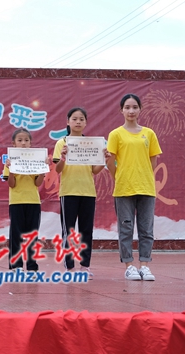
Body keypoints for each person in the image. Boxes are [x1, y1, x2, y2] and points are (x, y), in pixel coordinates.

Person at [106, 93, 162, 281]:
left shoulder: (149, 134)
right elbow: (110, 162)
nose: (131, 111)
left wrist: (143, 175)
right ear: (121, 110)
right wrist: (120, 177)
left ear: (140, 109)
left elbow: (153, 160)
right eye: (127, 107)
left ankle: (145, 265)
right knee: (126, 228)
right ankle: (129, 266)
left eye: (135, 107)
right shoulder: (115, 134)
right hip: (124, 188)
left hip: (146, 187)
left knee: (146, 229)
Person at [53, 107, 105, 279]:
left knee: (86, 231)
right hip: (68, 192)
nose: (78, 122)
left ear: (86, 123)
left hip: (88, 192)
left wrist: (104, 160)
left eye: (81, 119)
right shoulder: (61, 143)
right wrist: (63, 158)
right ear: (67, 122)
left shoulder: (90, 144)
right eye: (74, 119)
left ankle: (84, 266)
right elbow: (58, 169)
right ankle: (69, 267)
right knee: (68, 231)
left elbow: (95, 170)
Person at [3, 128, 48, 272]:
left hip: (33, 201)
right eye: (20, 140)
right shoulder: (9, 161)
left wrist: (43, 170)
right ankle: (16, 265)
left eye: (26, 140)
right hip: (16, 202)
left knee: (32, 235)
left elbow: (37, 183)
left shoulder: (35, 159)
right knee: (16, 234)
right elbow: (11, 184)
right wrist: (11, 171)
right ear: (13, 143)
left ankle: (32, 266)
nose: (23, 143)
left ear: (30, 143)